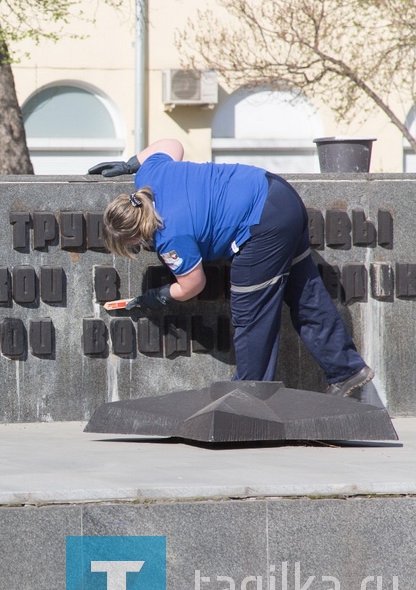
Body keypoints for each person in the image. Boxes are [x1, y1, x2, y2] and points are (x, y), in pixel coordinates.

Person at [91, 139, 374, 397]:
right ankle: (347, 370)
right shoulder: (149, 175)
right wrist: (131, 164)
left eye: (133, 244)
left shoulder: (170, 236)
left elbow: (192, 285)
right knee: (305, 296)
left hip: (262, 226)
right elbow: (171, 144)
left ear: (135, 234)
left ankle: (249, 396)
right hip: (279, 194)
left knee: (251, 313)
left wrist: (157, 297)